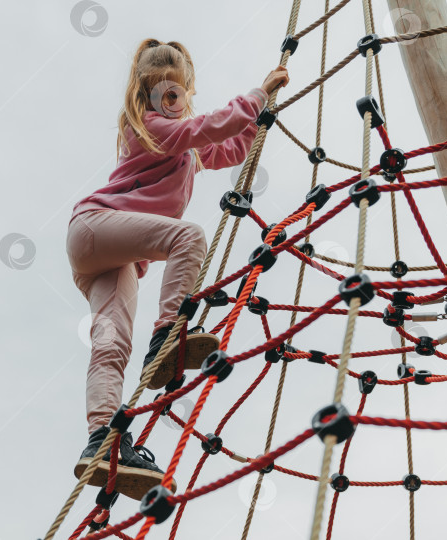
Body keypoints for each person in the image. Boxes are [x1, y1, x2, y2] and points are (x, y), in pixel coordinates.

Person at [65, 37, 289, 500]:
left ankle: (103, 440)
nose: (170, 103)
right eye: (160, 95)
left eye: (177, 94)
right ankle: (168, 336)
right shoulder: (146, 127)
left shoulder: (183, 143)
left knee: (111, 346)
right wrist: (257, 95)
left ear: (187, 92)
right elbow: (205, 128)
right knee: (189, 237)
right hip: (93, 227)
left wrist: (255, 124)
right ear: (143, 96)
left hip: (110, 257)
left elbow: (224, 150)